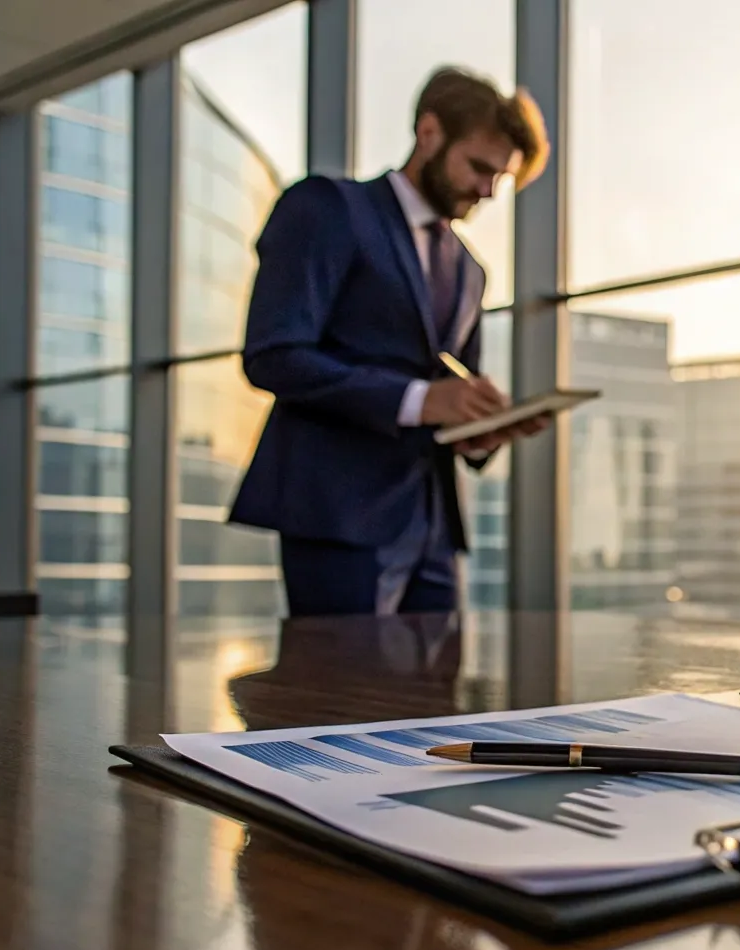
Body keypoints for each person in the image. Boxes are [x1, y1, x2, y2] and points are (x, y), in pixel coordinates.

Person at [230, 67, 551, 617]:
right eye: (478, 167)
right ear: (429, 133)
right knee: (340, 699)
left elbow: (450, 392)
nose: (487, 191)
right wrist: (420, 400)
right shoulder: (327, 208)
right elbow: (273, 354)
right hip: (338, 513)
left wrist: (481, 427)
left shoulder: (471, 271)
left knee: (440, 699)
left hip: (434, 527)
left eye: (499, 179)